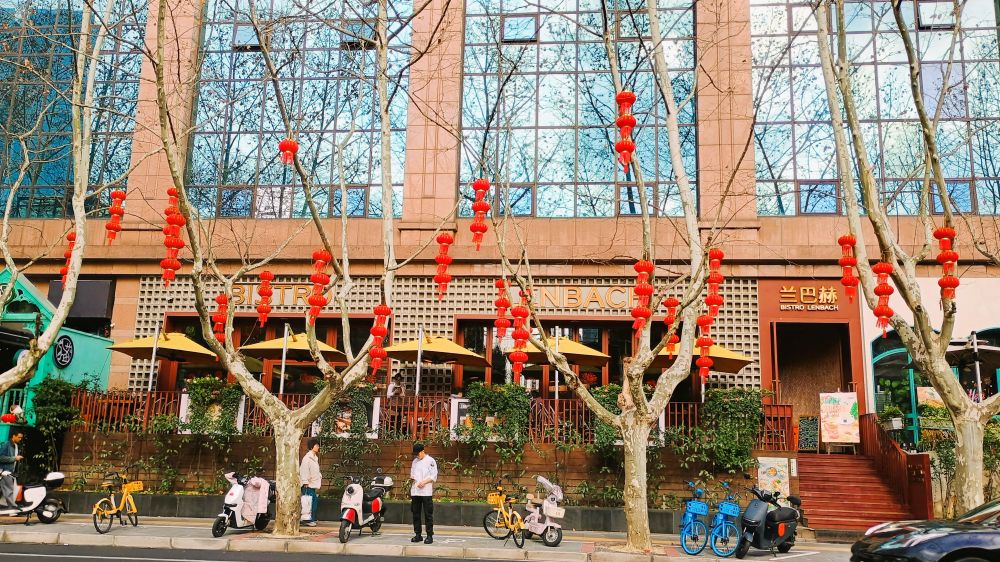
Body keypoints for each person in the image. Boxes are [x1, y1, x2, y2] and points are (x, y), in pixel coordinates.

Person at [409, 442, 437, 544]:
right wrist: (412, 478)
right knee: (415, 514)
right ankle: (418, 535)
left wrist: (424, 482)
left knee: (428, 514)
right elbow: (412, 474)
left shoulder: (430, 461)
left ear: (422, 451)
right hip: (415, 491)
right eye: (415, 454)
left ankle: (429, 535)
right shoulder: (415, 461)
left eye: (418, 454)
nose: (417, 456)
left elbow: (434, 476)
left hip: (426, 492)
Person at [299, 437, 322, 527]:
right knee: (308, 503)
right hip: (307, 485)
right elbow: (303, 470)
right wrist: (305, 482)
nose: (318, 447)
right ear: (312, 446)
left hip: (312, 484)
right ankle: (307, 520)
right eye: (316, 445)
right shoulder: (307, 458)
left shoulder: (314, 458)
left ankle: (309, 519)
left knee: (312, 502)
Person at [0, 431, 24, 508]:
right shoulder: (6, 445)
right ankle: (12, 507)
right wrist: (14, 458)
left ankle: (6, 507)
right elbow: (1, 458)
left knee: (6, 490)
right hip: (5, 471)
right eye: (19, 437)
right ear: (14, 436)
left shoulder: (15, 446)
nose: (20, 439)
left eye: (21, 438)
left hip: (11, 471)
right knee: (9, 490)